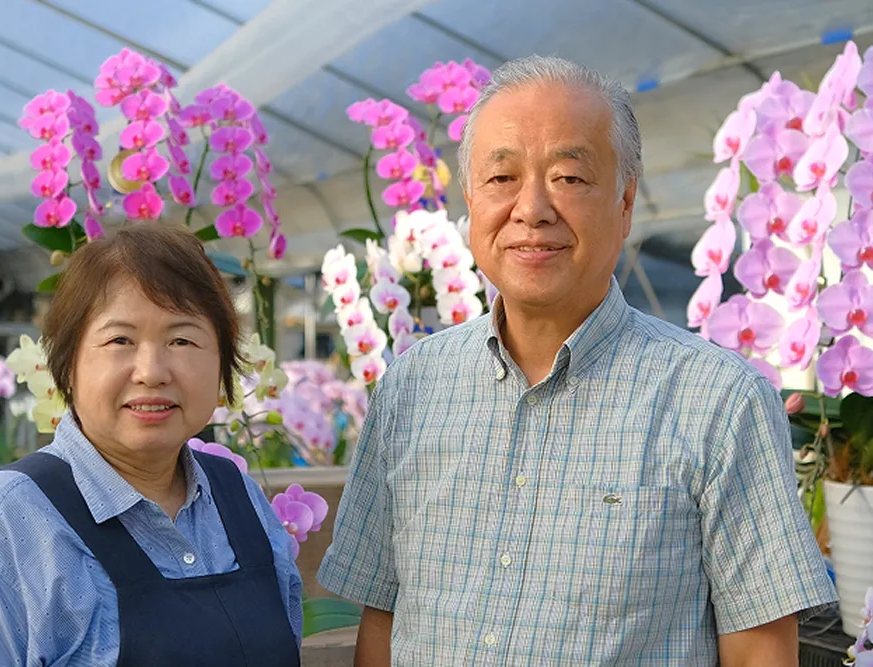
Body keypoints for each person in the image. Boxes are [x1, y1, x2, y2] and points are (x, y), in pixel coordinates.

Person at [318, 55, 837, 666]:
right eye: (501, 178)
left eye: (569, 177)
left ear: (625, 201)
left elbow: (759, 654)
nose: (532, 208)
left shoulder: (718, 402)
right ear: (470, 202)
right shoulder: (411, 388)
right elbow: (382, 624)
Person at [0, 223, 302, 666]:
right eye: (120, 340)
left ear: (222, 364)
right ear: (67, 363)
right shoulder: (1, 529)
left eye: (182, 339)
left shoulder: (240, 500)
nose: (152, 371)